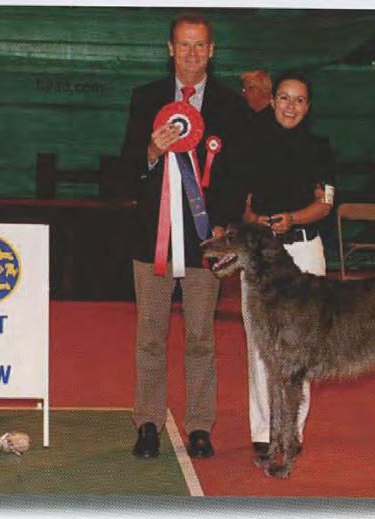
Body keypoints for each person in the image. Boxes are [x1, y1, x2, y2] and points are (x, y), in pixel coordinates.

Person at [119, 12, 244, 459]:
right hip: (151, 238)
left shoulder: (230, 105)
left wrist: (225, 224)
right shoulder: (145, 98)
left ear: (212, 51)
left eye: (200, 46)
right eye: (184, 45)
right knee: (150, 336)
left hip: (205, 240)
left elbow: (236, 173)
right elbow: (125, 168)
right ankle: (148, 422)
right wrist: (152, 150)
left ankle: (199, 426)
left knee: (201, 337)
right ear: (170, 49)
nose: (192, 54)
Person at [241, 71, 336, 456]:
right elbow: (243, 203)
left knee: (301, 349)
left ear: (307, 107)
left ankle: (292, 430)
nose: (290, 106)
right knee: (261, 346)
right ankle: (264, 431)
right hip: (261, 256)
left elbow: (325, 203)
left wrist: (293, 219)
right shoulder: (253, 142)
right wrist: (255, 221)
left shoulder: (320, 147)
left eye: (299, 100)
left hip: (304, 251)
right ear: (273, 100)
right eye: (284, 98)